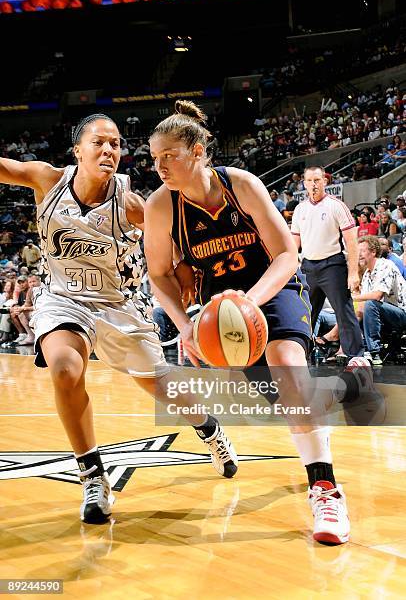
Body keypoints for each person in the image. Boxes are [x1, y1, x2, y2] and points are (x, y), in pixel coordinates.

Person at [0, 113, 238, 524]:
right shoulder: (46, 180)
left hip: (118, 307)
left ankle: (209, 428)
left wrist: (184, 269)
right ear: (78, 150)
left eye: (115, 144)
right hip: (63, 299)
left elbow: (169, 238)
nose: (109, 150)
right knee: (64, 368)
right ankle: (93, 475)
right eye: (99, 142)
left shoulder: (130, 202)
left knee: (163, 388)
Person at [144, 100, 353, 545]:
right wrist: (184, 325)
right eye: (153, 157)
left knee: (287, 365)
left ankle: (325, 489)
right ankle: (317, 417)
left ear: (198, 151)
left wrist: (250, 303)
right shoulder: (161, 206)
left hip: (270, 290)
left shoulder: (241, 184)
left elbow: (286, 254)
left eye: (169, 156)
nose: (159, 165)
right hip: (217, 312)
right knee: (283, 398)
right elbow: (159, 274)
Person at [291, 166, 364, 360]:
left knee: (344, 312)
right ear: (304, 184)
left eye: (317, 180)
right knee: (303, 314)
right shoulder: (299, 209)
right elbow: (293, 244)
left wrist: (353, 272)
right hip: (307, 267)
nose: (313, 184)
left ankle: (356, 357)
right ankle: (300, 356)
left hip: (333, 265)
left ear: (325, 181)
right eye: (309, 181)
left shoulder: (336, 205)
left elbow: (351, 241)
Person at [355, 236, 406, 365]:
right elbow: (362, 304)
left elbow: (377, 295)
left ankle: (373, 352)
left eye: (362, 251)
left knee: (371, 304)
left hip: (402, 314)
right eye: (357, 251)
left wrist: (351, 297)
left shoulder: (385, 265)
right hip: (387, 313)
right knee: (361, 309)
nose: (359, 255)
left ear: (373, 252)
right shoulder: (367, 274)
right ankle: (356, 349)